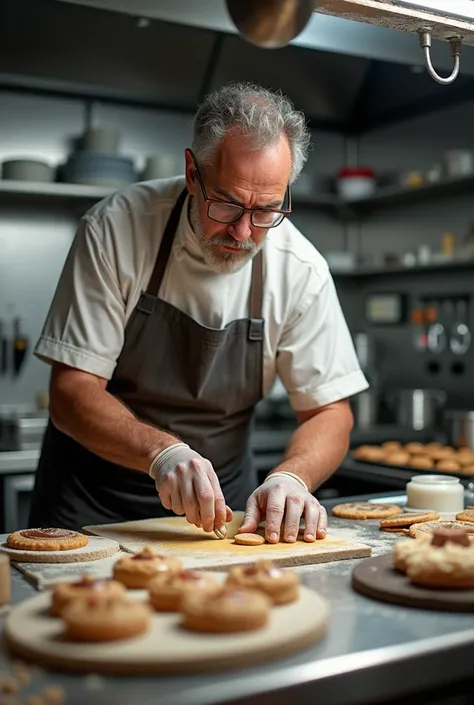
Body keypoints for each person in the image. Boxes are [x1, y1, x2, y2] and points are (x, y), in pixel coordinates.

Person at [29, 81, 368, 543]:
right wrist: (162, 453)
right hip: (91, 506)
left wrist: (294, 477)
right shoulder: (116, 228)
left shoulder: (300, 269)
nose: (245, 232)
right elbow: (71, 392)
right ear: (193, 172)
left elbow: (330, 411)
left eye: (267, 210)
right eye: (227, 204)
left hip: (219, 519)